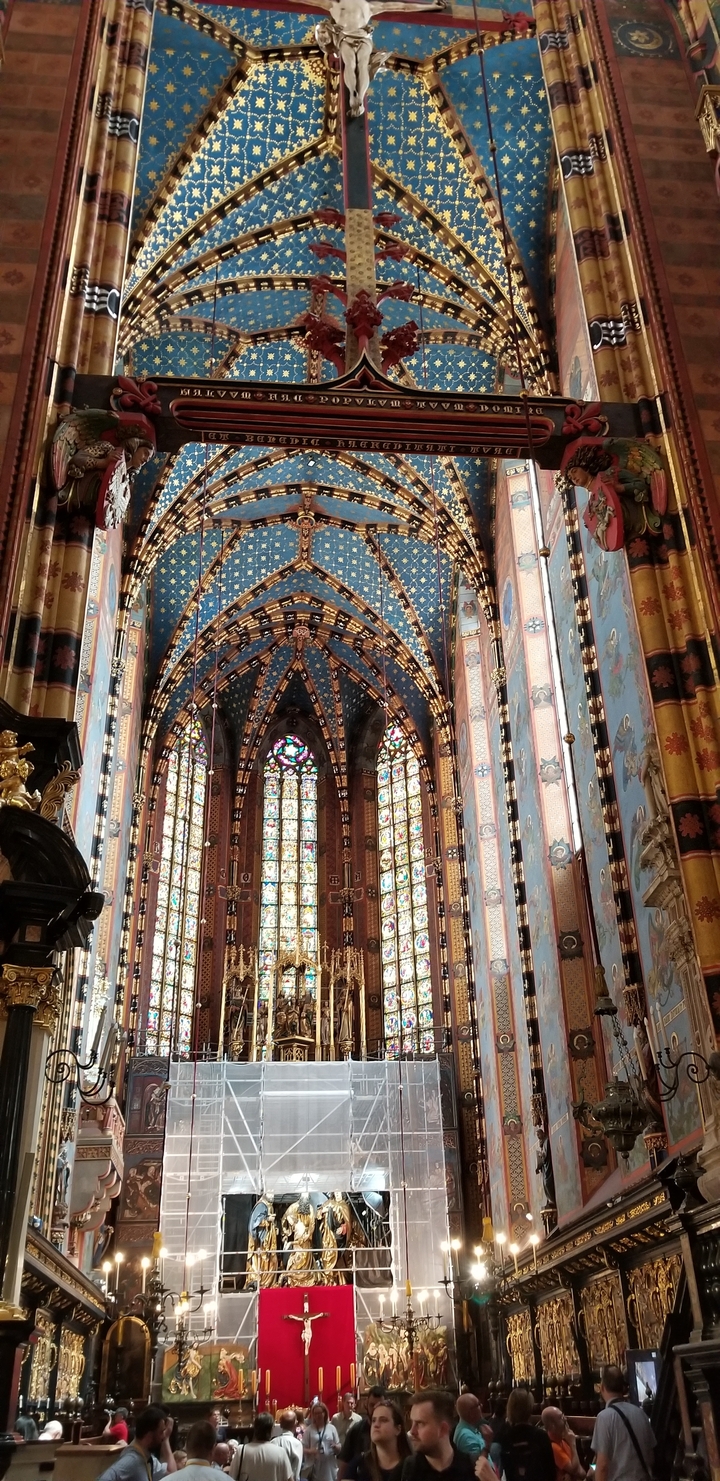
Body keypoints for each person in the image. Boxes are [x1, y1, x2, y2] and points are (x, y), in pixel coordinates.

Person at [591, 1365, 655, 1481]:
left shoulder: (604, 1418)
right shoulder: (640, 1413)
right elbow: (651, 1456)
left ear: (602, 1387)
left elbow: (602, 1466)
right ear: (623, 1387)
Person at [405, 1391, 476, 1481]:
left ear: (443, 1429)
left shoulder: (471, 1468)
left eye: (420, 1423)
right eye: (412, 1422)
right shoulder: (409, 1470)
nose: (412, 1431)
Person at [97, 1405, 178, 1481]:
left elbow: (171, 1473)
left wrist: (166, 1438)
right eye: (161, 1432)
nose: (163, 1436)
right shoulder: (132, 1459)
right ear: (149, 1435)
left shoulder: (146, 1457)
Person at [347, 1399, 412, 1481]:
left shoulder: (412, 1467)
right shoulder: (358, 1465)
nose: (376, 1425)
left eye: (383, 1420)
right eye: (373, 1420)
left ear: (398, 1429)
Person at [497, 1390, 554, 1481]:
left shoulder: (505, 1438)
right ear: (530, 1408)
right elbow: (551, 1472)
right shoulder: (541, 1436)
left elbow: (508, 1472)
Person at [229, 1413, 293, 1481]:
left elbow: (231, 1477)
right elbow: (289, 1479)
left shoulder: (241, 1450)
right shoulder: (280, 1452)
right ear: (271, 1429)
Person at [339, 1389, 385, 1475]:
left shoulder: (390, 1431)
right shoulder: (355, 1430)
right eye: (372, 1405)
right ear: (366, 1404)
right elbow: (344, 1465)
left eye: (379, 1405)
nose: (375, 1409)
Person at [541, 1410, 585, 1481]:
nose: (565, 1419)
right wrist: (572, 1444)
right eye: (561, 1417)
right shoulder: (553, 1447)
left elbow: (581, 1472)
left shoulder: (562, 1441)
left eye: (563, 1415)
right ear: (552, 1426)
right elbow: (575, 1470)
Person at [303, 1402, 341, 1481]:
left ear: (324, 1413)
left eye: (320, 1413)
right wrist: (310, 1451)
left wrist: (335, 1446)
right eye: (315, 1413)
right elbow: (302, 1449)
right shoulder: (309, 1430)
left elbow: (339, 1446)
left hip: (329, 1466)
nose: (318, 1415)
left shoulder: (332, 1428)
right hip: (314, 1466)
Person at [453, 1396, 487, 1463]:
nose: (481, 1406)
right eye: (478, 1404)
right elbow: (478, 1465)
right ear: (471, 1413)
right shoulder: (466, 1436)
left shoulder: (472, 1427)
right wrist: (487, 1444)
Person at [274, 1411, 304, 1480]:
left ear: (280, 1425)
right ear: (295, 1424)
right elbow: (296, 1470)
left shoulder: (273, 1442)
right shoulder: (297, 1444)